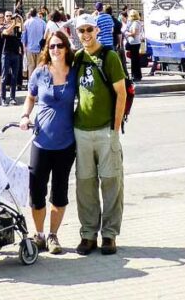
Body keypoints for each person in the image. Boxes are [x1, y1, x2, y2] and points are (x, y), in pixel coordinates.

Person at [20, 28, 77, 255]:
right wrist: (25, 115)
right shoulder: (40, 73)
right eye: (51, 46)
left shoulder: (74, 73)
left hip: (66, 143)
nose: (55, 50)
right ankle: (39, 234)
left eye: (59, 46)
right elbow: (31, 96)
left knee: (60, 191)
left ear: (66, 48)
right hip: (41, 142)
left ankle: (53, 235)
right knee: (36, 190)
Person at [73, 14, 126, 255]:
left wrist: (115, 129)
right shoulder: (77, 58)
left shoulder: (110, 56)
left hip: (106, 130)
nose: (85, 34)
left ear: (96, 31)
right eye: (81, 30)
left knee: (111, 182)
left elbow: (121, 93)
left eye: (89, 30)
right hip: (82, 131)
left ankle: (109, 234)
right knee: (85, 185)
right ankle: (88, 233)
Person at [0, 11, 23, 106]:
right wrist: (13, 24)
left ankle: (12, 98)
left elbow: (22, 30)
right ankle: (3, 98)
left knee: (14, 76)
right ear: (4, 17)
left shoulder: (16, 27)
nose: (9, 17)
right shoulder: (2, 27)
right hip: (6, 53)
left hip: (15, 54)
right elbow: (6, 32)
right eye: (7, 16)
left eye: (10, 16)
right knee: (4, 76)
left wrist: (20, 19)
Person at [23, 7, 47, 77]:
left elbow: (24, 36)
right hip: (40, 48)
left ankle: (31, 85)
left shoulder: (27, 22)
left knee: (31, 67)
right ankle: (38, 84)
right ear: (36, 13)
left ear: (30, 14)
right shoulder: (42, 22)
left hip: (30, 48)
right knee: (39, 67)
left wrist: (24, 46)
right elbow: (45, 34)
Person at [125, 9, 145, 82]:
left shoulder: (135, 23)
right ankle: (137, 75)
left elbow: (134, 33)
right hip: (135, 42)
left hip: (134, 43)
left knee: (134, 60)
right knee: (135, 60)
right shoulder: (137, 22)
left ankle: (135, 76)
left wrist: (127, 33)